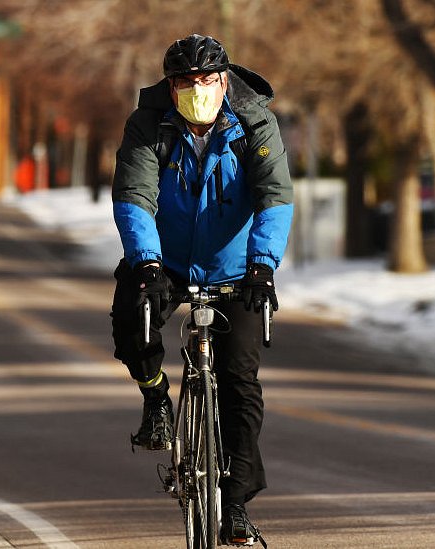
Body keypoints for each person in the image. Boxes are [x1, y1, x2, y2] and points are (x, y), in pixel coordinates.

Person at [111, 34, 293, 546]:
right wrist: (145, 262)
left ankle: (234, 505)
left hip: (237, 270)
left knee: (240, 381)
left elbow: (275, 196)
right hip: (164, 259)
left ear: (224, 79)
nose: (196, 89)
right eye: (184, 82)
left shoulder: (253, 122)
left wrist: (263, 266)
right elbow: (134, 196)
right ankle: (155, 402)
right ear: (169, 88)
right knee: (133, 313)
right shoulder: (147, 125)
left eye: (206, 80)